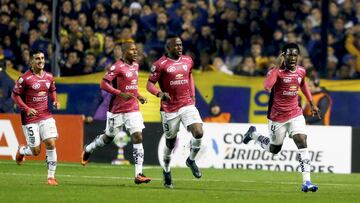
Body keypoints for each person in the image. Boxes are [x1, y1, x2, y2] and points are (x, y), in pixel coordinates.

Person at [242, 43, 321, 193]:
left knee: (301, 140)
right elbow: (267, 86)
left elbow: (303, 85)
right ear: (283, 56)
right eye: (289, 54)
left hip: (295, 114)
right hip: (277, 117)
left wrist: (311, 103)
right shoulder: (275, 72)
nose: (292, 58)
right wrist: (277, 68)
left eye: (295, 55)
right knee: (274, 149)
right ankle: (253, 135)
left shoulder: (301, 71)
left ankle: (307, 181)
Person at [81, 41, 151, 185]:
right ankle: (89, 148)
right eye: (132, 50)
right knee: (108, 138)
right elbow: (103, 84)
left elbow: (132, 86)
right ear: (124, 52)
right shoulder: (117, 67)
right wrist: (119, 93)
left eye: (136, 49)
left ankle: (139, 174)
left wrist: (139, 96)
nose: (135, 52)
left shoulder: (136, 65)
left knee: (138, 136)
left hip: (133, 109)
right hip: (117, 110)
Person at [146, 36, 204, 189]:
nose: (180, 47)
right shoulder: (160, 65)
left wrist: (192, 95)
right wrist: (160, 94)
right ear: (168, 47)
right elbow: (149, 84)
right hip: (169, 108)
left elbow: (190, 76)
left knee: (198, 132)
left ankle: (191, 160)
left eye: (181, 45)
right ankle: (166, 170)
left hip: (186, 103)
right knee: (170, 143)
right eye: (176, 45)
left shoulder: (188, 60)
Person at [12, 50, 60, 186]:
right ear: (31, 62)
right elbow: (14, 96)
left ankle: (51, 177)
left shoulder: (49, 77)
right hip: (29, 118)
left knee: (51, 142)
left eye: (42, 58)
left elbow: (52, 90)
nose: (41, 61)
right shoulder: (24, 78)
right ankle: (22, 150)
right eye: (37, 58)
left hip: (45, 115)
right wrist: (27, 109)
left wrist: (55, 100)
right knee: (36, 151)